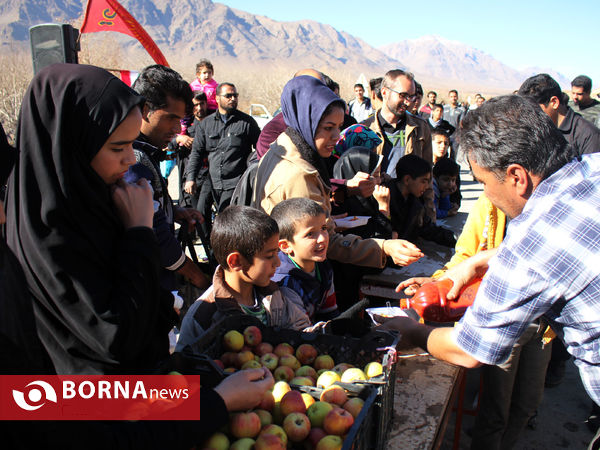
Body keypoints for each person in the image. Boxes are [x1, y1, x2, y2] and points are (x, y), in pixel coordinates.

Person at [380, 95, 600, 449]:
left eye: (483, 182)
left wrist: (412, 331)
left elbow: (470, 351)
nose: (484, 193)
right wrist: (482, 260)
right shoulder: (592, 167)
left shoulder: (532, 243)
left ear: (516, 176)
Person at [3, 63, 180, 374]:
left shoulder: (99, 202)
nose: (130, 159)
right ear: (73, 146)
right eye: (118, 147)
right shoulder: (51, 231)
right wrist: (139, 232)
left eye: (131, 143)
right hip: (79, 406)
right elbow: (115, 339)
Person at [252, 74, 423, 269]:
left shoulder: (282, 147)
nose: (336, 137)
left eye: (339, 127)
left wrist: (328, 220)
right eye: (328, 128)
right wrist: (384, 247)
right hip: (296, 272)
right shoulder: (299, 174)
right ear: (307, 120)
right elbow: (324, 244)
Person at [176, 206, 313, 352]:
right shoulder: (203, 315)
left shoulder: (274, 295)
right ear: (235, 261)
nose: (277, 263)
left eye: (277, 253)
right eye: (269, 256)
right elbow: (183, 370)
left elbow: (300, 329)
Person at [131, 65, 209, 291]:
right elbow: (155, 234)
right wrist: (199, 278)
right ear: (145, 110)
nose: (177, 128)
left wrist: (173, 212)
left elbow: (151, 207)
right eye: (170, 118)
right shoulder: (134, 158)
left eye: (181, 119)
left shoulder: (147, 151)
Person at [361, 70, 434, 220]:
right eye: (403, 95)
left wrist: (429, 213)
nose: (408, 102)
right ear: (385, 92)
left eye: (412, 96)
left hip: (410, 210)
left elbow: (428, 176)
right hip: (376, 209)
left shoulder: (420, 127)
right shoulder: (364, 129)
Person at [184, 82, 261, 212]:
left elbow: (260, 149)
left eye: (235, 95)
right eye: (228, 96)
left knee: (226, 214)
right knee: (200, 212)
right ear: (217, 98)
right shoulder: (206, 124)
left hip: (235, 182)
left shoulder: (247, 123)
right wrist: (191, 178)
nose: (233, 99)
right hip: (212, 179)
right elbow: (197, 152)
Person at [271, 198, 340, 322]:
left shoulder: (323, 267)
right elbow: (298, 329)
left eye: (323, 228)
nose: (322, 238)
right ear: (286, 246)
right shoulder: (285, 283)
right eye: (310, 234)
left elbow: (329, 312)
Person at [518, 73, 600, 156]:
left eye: (534, 110)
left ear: (554, 102)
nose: (530, 116)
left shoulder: (588, 136)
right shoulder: (537, 131)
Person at [387, 154, 456, 247]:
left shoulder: (415, 202)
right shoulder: (384, 198)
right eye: (423, 181)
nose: (427, 186)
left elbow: (429, 230)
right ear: (407, 180)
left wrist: (459, 240)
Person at [332, 147, 393, 240]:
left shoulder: (372, 200)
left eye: (379, 175)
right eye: (375, 175)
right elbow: (377, 241)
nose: (379, 181)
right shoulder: (340, 205)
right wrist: (383, 208)